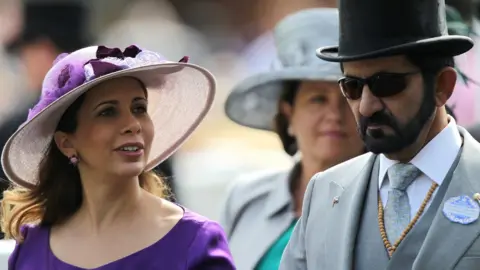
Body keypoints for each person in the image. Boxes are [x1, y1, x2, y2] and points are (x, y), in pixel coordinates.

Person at [280, 0, 480, 269]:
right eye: (352, 87)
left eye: (386, 84)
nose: (366, 105)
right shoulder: (324, 192)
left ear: (442, 86)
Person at [1, 45, 235, 269]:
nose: (132, 125)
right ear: (67, 143)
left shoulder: (194, 241)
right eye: (108, 112)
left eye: (139, 108)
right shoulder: (32, 247)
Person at [221, 8, 364, 270]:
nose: (334, 114)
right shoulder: (247, 198)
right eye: (317, 99)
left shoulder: (385, 206)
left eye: (348, 97)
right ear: (289, 114)